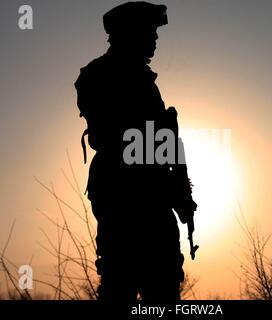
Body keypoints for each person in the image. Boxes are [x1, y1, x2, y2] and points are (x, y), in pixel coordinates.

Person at [74, 1, 196, 301]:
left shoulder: (138, 79)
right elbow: (117, 137)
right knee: (127, 282)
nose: (155, 39)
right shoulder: (104, 76)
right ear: (130, 34)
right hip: (127, 195)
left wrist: (180, 191)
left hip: (144, 193)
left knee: (155, 282)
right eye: (149, 32)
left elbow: (160, 143)